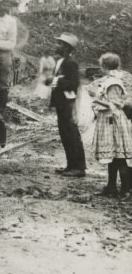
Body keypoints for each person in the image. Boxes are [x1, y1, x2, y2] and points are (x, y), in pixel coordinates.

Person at [90, 53, 132, 198]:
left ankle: (126, 189)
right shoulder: (108, 80)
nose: (100, 68)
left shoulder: (113, 82)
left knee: (119, 156)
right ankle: (111, 187)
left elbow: (116, 105)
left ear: (105, 66)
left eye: (102, 65)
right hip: (108, 121)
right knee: (112, 157)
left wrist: (97, 100)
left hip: (114, 122)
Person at [47, 32, 87, 177]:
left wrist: (56, 80)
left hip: (68, 104)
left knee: (72, 135)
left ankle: (79, 168)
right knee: (65, 135)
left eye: (60, 43)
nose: (57, 45)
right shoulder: (61, 61)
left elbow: (73, 84)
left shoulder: (71, 63)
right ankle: (71, 166)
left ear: (67, 47)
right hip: (61, 103)